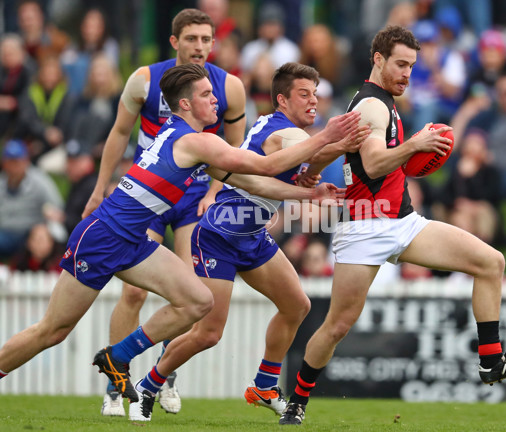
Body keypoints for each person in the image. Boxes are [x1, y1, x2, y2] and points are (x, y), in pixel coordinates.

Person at [0, 63, 360, 408]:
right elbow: (265, 165)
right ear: (185, 104)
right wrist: (327, 136)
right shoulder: (197, 142)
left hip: (133, 240)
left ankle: (118, 356)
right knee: (52, 330)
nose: (216, 100)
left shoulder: (188, 138)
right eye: (206, 95)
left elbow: (249, 181)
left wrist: (308, 194)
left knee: (197, 302)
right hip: (103, 235)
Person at [278, 25, 506, 426]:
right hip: (365, 228)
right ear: (378, 60)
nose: (407, 73)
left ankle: (492, 360)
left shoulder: (379, 101)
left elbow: (346, 151)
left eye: (412, 66)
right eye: (400, 64)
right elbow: (373, 164)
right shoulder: (372, 104)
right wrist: (415, 146)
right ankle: (297, 401)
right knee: (336, 325)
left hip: (401, 221)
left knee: (491, 262)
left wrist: (313, 170)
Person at [127, 62, 368, 422]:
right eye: (304, 94)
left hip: (251, 234)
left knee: (297, 305)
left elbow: (308, 164)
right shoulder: (285, 134)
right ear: (282, 99)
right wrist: (340, 142)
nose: (313, 101)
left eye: (315, 94)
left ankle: (265, 385)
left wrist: (320, 166)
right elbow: (311, 152)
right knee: (209, 333)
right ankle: (149, 385)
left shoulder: (280, 129)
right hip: (220, 235)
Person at [78, 9, 247, 416]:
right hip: (149, 198)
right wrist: (101, 188)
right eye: (192, 39)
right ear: (174, 42)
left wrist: (217, 192)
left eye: (207, 39)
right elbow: (120, 131)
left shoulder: (230, 87)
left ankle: (163, 379)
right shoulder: (145, 80)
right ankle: (116, 388)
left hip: (192, 199)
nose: (201, 47)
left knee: (189, 290)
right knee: (134, 291)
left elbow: (237, 151)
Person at [0, 139, 65, 259]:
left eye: (17, 162)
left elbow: (57, 207)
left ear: (26, 161)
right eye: (10, 161)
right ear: (4, 163)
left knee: (40, 237)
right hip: (4, 232)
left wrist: (49, 215)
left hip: (29, 232)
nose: (13, 166)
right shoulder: (2, 181)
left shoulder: (40, 181)